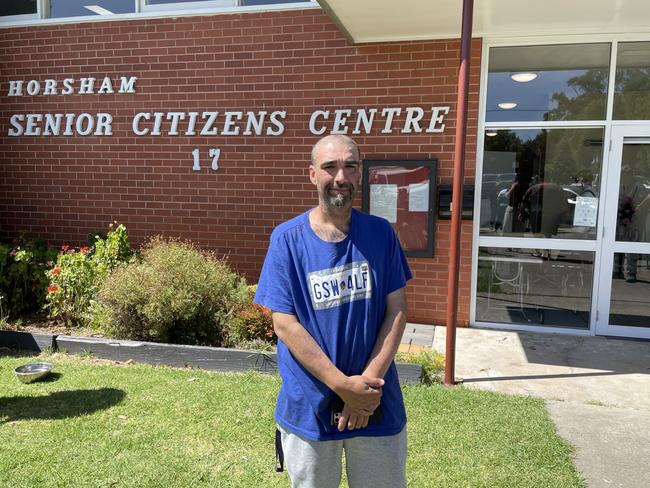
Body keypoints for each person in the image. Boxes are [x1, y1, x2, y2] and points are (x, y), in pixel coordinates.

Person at [254, 134, 412, 488]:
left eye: (350, 166)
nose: (340, 176)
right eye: (330, 167)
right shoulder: (287, 239)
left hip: (376, 404)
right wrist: (342, 386)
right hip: (310, 407)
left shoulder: (381, 234)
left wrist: (364, 390)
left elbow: (397, 311)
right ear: (312, 174)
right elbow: (285, 324)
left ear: (360, 174)